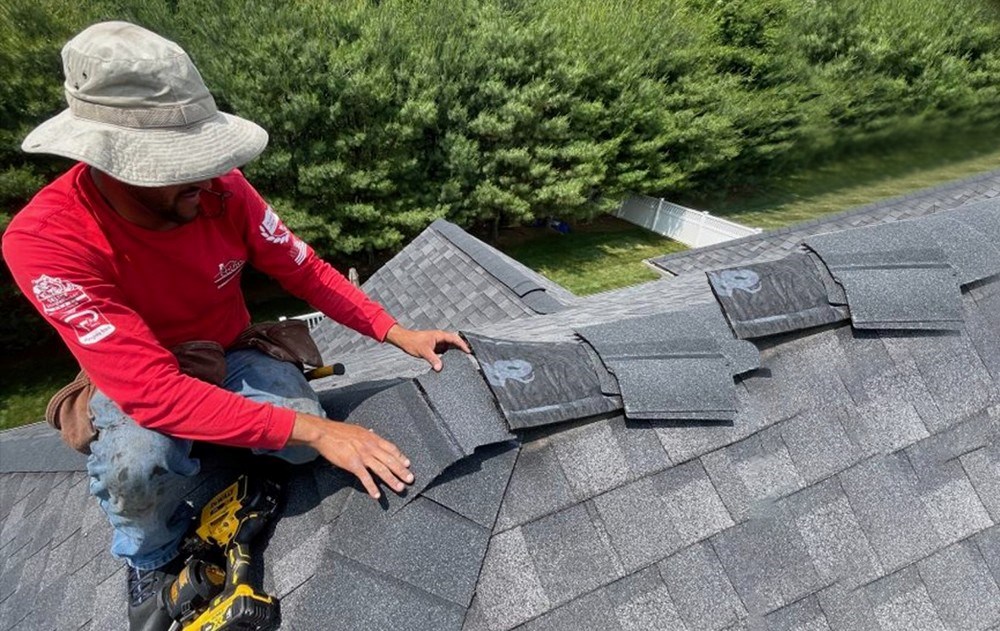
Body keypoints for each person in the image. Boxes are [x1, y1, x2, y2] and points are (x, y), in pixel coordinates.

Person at [1, 21, 469, 630]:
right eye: (178, 164)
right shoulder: (48, 241)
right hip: (145, 377)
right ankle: (149, 554)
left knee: (302, 450)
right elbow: (153, 393)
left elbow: (304, 269)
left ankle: (221, 437)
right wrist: (312, 431)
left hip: (230, 350)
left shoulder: (221, 190)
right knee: (140, 464)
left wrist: (393, 331)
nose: (206, 177)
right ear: (106, 161)